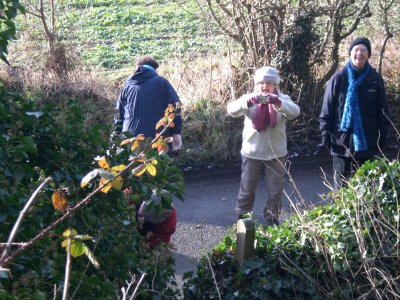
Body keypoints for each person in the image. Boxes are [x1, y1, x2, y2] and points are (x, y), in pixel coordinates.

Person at [227, 66, 300, 226]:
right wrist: (246, 103)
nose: (264, 86)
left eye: (268, 82)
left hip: (276, 153)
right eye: (260, 82)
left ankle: (272, 217)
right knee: (247, 187)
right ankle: (243, 216)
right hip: (252, 152)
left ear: (275, 85)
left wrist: (278, 103)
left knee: (276, 190)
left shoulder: (282, 98)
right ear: (256, 84)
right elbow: (231, 110)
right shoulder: (250, 98)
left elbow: (295, 112)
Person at [319, 37, 390, 190]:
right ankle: (343, 213)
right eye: (356, 50)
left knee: (365, 185)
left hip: (367, 140)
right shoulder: (339, 78)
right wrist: (325, 132)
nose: (359, 53)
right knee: (341, 187)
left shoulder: (375, 79)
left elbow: (382, 109)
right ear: (350, 53)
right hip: (341, 140)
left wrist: (383, 133)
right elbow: (328, 107)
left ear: (368, 54)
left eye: (363, 50)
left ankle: (363, 213)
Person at [114, 55, 182, 152]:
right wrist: (176, 133)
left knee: (134, 165)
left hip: (129, 137)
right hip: (157, 137)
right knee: (158, 165)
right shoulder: (162, 82)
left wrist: (117, 135)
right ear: (154, 69)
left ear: (137, 68)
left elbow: (118, 113)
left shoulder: (127, 86)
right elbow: (176, 106)